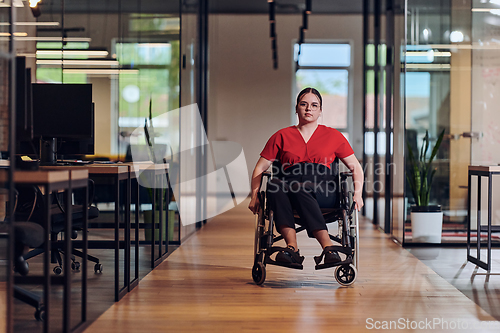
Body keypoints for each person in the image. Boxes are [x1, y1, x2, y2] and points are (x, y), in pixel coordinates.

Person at [248, 87, 364, 265]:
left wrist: (358, 193)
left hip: (323, 191)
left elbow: (355, 166)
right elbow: (260, 168)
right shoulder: (282, 136)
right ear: (296, 108)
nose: (308, 109)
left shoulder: (333, 136)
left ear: (320, 111)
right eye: (304, 104)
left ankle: (327, 246)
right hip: (289, 187)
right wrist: (255, 195)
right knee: (274, 186)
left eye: (314, 105)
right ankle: (292, 248)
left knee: (292, 187)